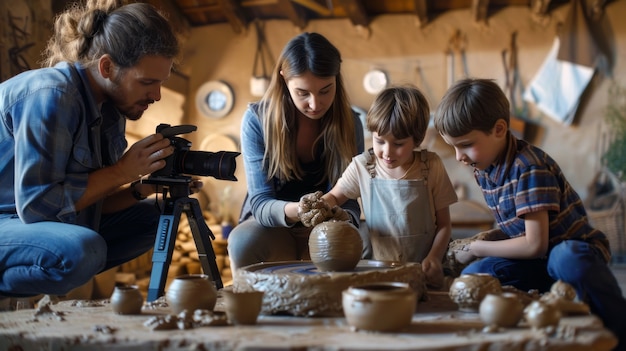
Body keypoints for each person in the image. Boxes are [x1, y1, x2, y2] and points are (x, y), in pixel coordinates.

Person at [0, 0, 192, 299]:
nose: (156, 95)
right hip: (10, 218)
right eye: (147, 82)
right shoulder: (53, 94)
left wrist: (140, 188)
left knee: (157, 218)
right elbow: (38, 206)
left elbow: (88, 203)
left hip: (30, 222)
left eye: (161, 83)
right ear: (107, 66)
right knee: (82, 249)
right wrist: (122, 171)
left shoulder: (112, 109)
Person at [433, 78, 626, 350]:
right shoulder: (484, 168)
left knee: (569, 259)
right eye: (453, 147)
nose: (459, 156)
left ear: (500, 129)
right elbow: (518, 229)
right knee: (476, 276)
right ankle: (543, 307)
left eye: (465, 145)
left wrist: (475, 246)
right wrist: (482, 242)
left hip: (565, 253)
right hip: (536, 260)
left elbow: (535, 244)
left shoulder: (529, 168)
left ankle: (619, 328)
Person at [227, 32, 365, 272]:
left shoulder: (351, 123)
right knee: (242, 242)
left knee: (361, 241)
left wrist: (336, 217)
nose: (315, 104)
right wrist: (301, 211)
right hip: (272, 227)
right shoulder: (257, 120)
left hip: (327, 225)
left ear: (336, 79)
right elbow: (260, 204)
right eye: (303, 93)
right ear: (284, 80)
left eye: (325, 90)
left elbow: (351, 201)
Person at [298, 85, 458, 288]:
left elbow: (444, 225)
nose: (387, 152)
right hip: (380, 269)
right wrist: (318, 205)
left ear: (417, 139)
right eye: (379, 141)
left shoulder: (431, 166)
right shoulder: (363, 166)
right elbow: (335, 197)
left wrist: (434, 258)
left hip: (425, 268)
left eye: (398, 144)